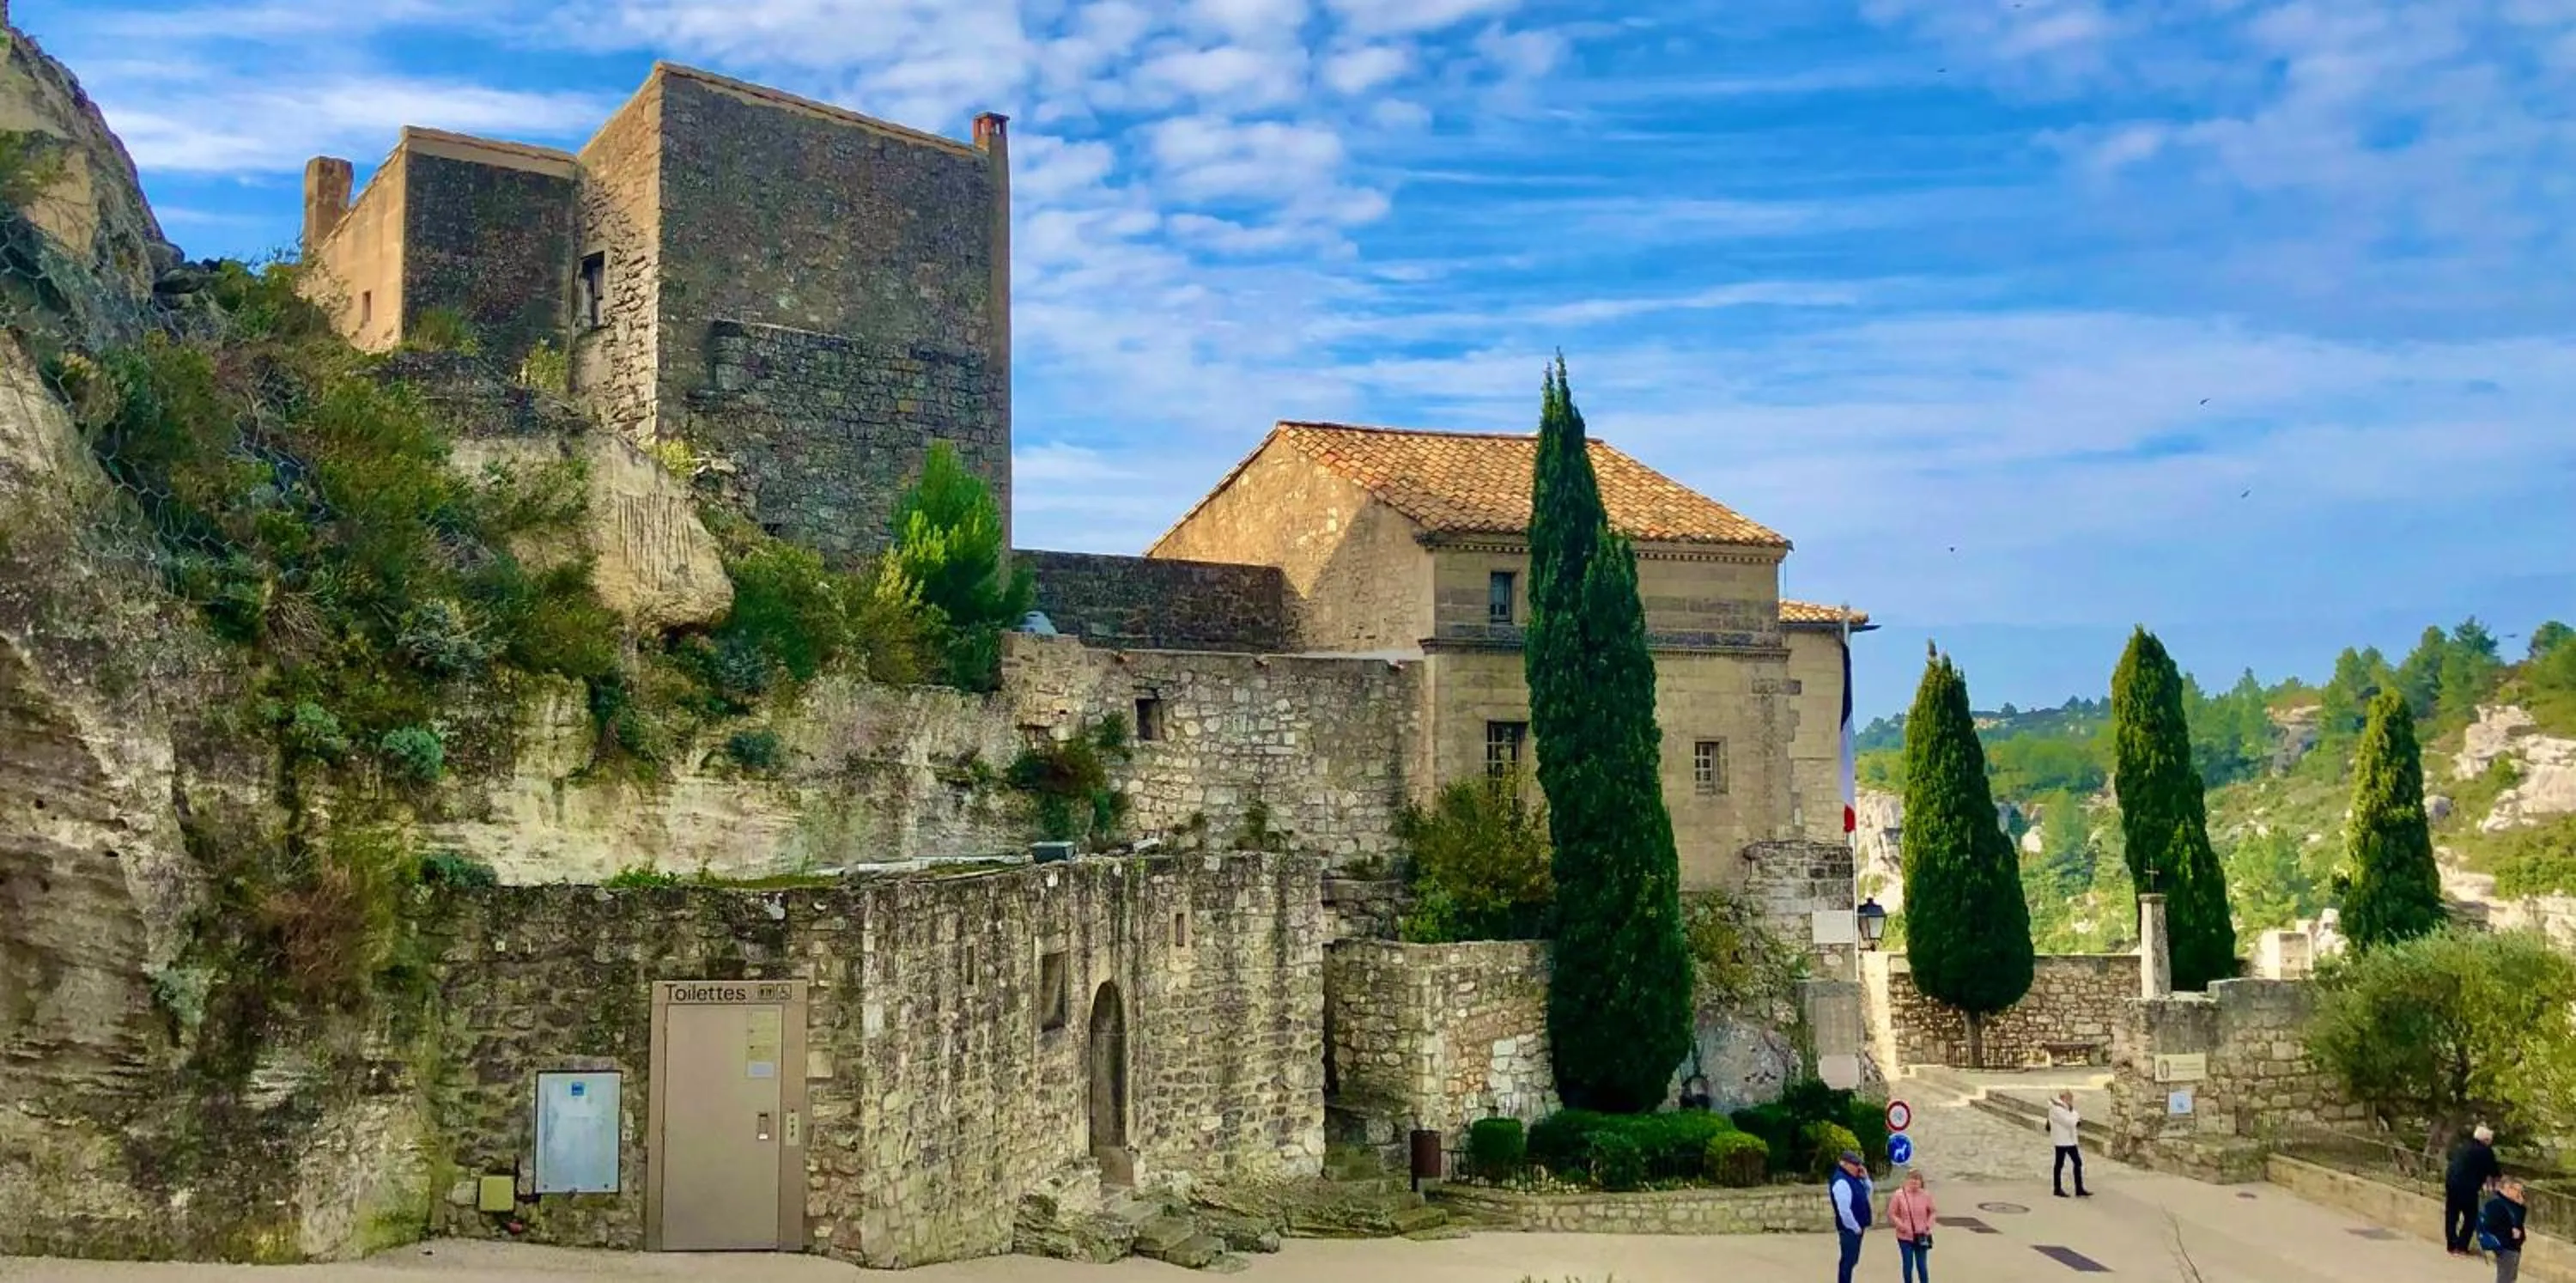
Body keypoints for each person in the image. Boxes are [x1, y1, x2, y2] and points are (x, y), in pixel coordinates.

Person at [2447, 1125, 2503, 1256]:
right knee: (2470, 1217)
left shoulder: (2462, 1146)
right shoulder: (2485, 1151)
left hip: (2451, 1183)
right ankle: (2461, 1246)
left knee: (2452, 1215)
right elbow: (2494, 1171)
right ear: (2486, 1140)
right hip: (2468, 1187)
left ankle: (2451, 1245)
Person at [1829, 1148, 1874, 1283]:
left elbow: (1867, 1193)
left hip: (1857, 1227)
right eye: (1855, 1165)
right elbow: (1844, 1210)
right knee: (1847, 1262)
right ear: (1844, 1164)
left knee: (1852, 1260)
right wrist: (1855, 1227)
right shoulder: (1841, 1181)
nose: (1858, 1167)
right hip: (1849, 1229)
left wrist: (1865, 1178)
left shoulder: (1853, 1178)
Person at [1887, 1168, 1935, 1283]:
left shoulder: (1926, 1195)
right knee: (1908, 1265)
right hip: (1905, 1237)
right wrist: (1901, 1225)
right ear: (1907, 1181)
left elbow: (1933, 1211)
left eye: (1917, 1180)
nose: (1914, 1183)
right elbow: (1892, 1213)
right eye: (1912, 1180)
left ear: (1921, 1182)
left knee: (1922, 1265)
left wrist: (1928, 1226)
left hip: (1921, 1236)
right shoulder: (1899, 1195)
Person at [2478, 1177, 2527, 1283]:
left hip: (2513, 1245)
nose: (2519, 1194)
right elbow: (2491, 1224)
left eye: (2521, 1192)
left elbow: (2518, 1221)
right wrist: (2511, 1231)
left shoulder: (2512, 1204)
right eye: (2517, 1191)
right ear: (2508, 1188)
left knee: (2510, 1277)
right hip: (2505, 1244)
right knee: (2506, 1278)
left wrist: (2521, 1206)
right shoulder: (2496, 1204)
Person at [2049, 1091, 2091, 1198]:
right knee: (2059, 1165)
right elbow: (2069, 1122)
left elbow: (2076, 1116)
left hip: (2070, 1141)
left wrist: (2075, 1118)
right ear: (2064, 1098)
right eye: (2070, 1098)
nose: (2071, 1101)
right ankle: (2057, 1189)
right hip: (2061, 1141)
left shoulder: (2067, 1108)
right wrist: (2075, 1119)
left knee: (2078, 1163)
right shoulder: (2057, 1109)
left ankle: (2079, 1188)